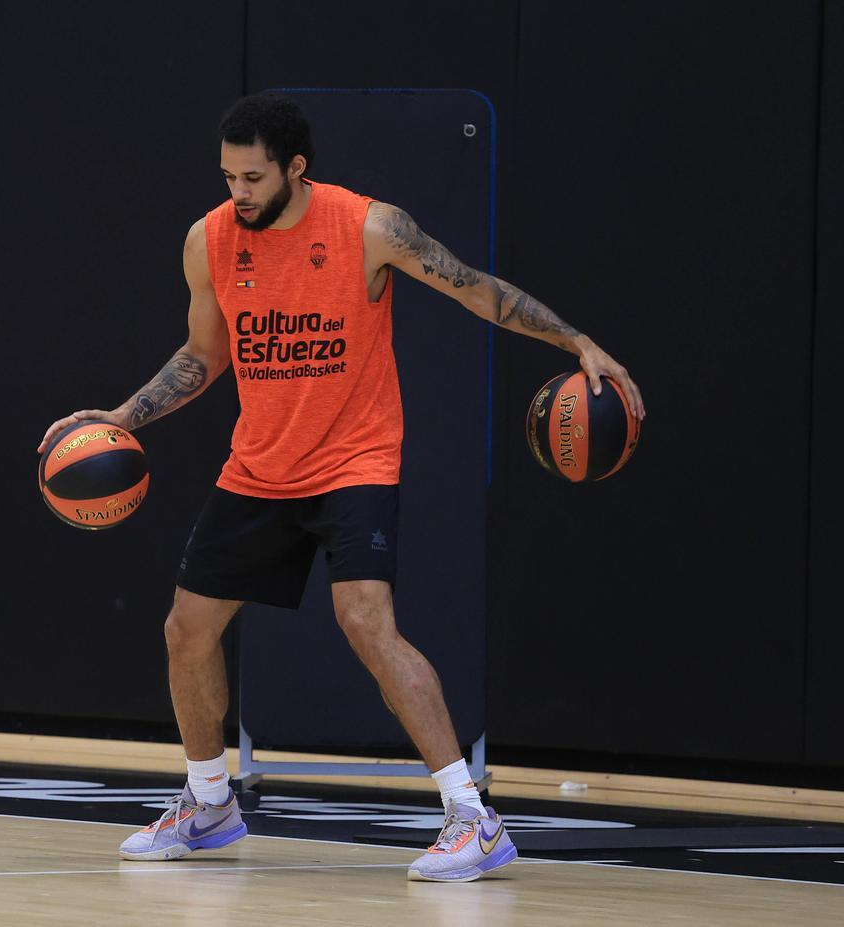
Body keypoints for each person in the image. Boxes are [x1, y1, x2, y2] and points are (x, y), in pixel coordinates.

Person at [38, 93, 645, 883]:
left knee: (365, 623)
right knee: (186, 630)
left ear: (297, 168)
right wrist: (124, 415)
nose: (239, 193)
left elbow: (473, 288)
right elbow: (203, 353)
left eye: (253, 177)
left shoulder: (369, 228)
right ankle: (210, 803)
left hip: (354, 458)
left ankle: (473, 816)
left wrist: (576, 339)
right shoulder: (210, 241)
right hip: (258, 464)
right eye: (227, 176)